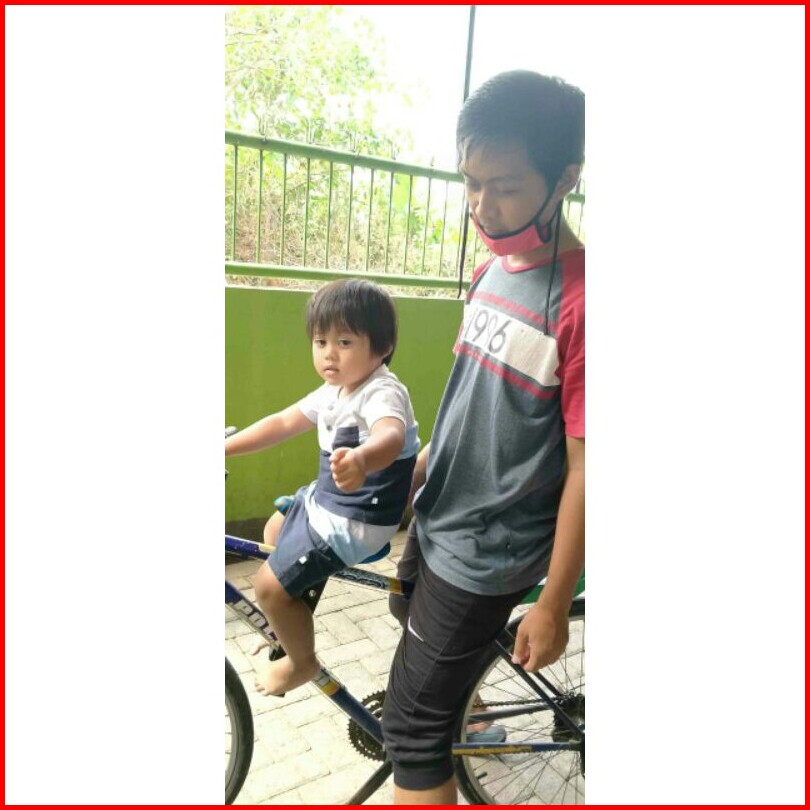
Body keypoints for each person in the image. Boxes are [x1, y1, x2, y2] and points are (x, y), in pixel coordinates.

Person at [381, 70, 585, 804]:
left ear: (566, 179)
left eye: (505, 186)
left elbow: (591, 469)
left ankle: (440, 737)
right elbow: (473, 391)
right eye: (471, 183)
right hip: (441, 510)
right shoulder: (491, 269)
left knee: (411, 731)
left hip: (489, 550)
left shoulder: (585, 303)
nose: (481, 205)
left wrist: (554, 600)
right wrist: (426, 459)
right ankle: (472, 715)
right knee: (403, 610)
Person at [226, 278, 419, 696]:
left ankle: (302, 660)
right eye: (320, 341)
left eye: (344, 342)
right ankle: (289, 621)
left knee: (266, 586)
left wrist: (363, 459)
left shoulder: (382, 392)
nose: (329, 353)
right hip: (329, 501)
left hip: (358, 519)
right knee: (275, 529)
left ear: (382, 346)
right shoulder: (334, 389)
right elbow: (282, 423)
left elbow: (390, 435)